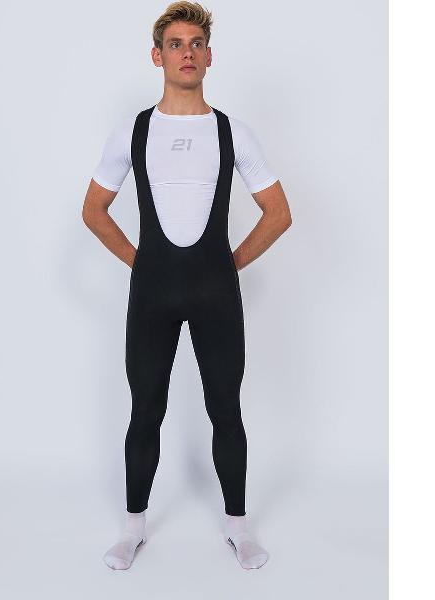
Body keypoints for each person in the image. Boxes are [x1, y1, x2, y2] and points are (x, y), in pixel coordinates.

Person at [82, 1, 292, 570]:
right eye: (175, 44)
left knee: (225, 406)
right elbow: (94, 210)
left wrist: (228, 263)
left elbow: (278, 212)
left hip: (215, 294)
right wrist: (142, 262)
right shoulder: (133, 131)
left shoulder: (231, 131)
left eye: (197, 43)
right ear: (158, 56)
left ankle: (239, 527)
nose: (187, 53)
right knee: (145, 408)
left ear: (210, 56)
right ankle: (133, 527)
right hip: (152, 294)